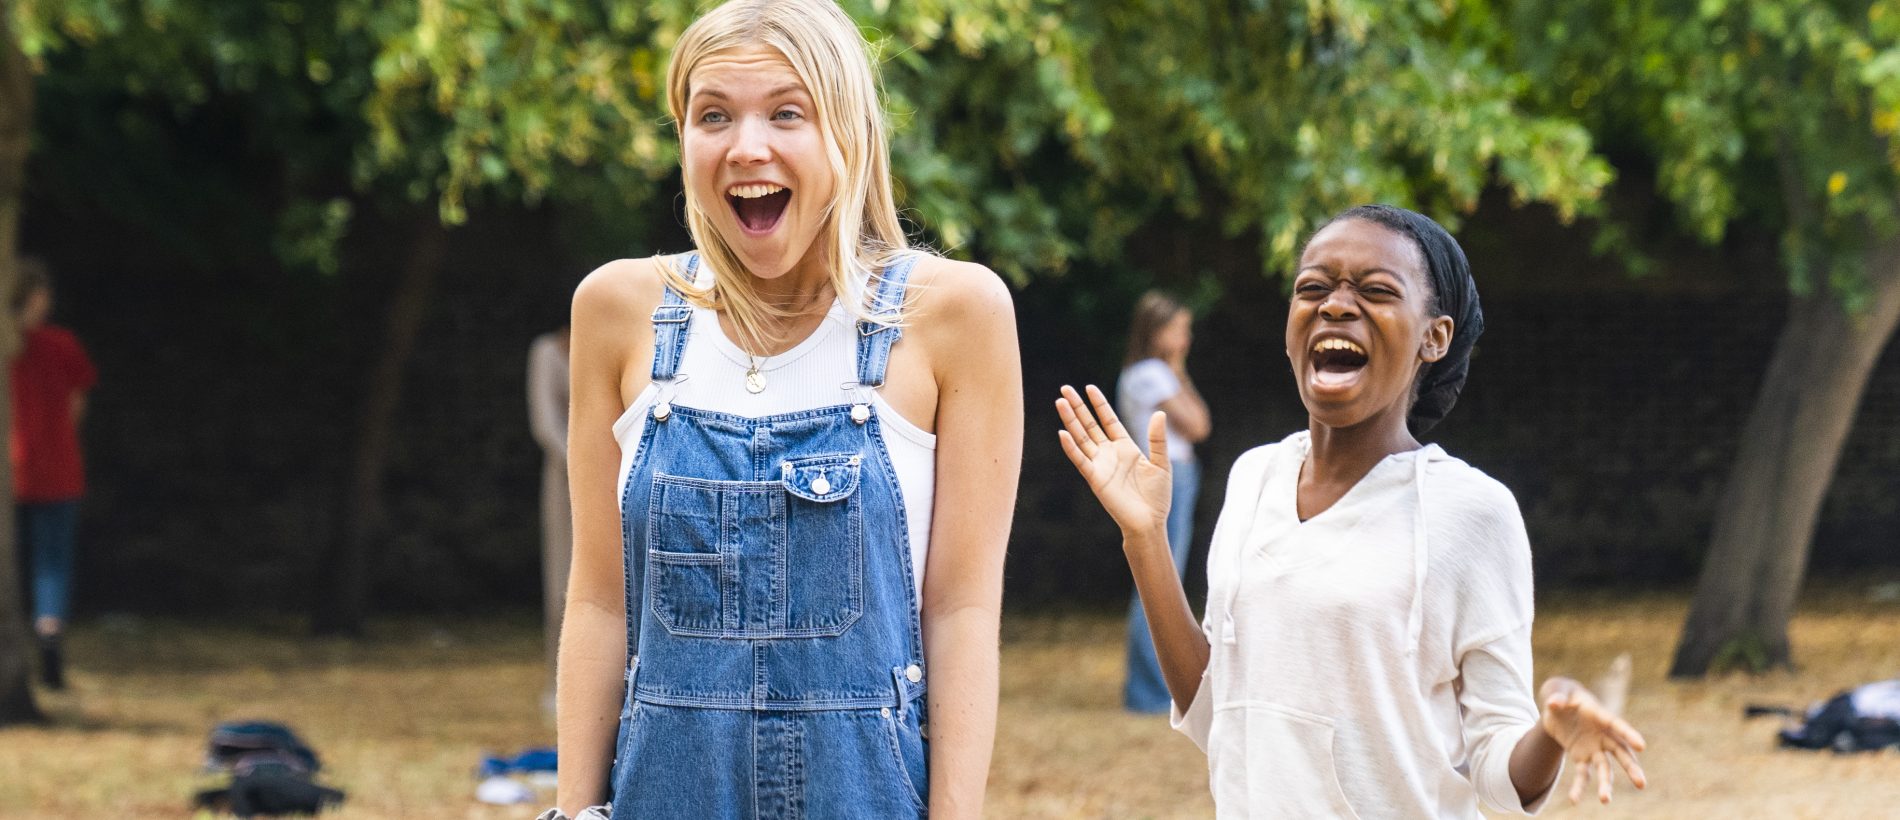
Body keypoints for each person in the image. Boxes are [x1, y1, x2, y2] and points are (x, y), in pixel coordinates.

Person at [548, 1, 1022, 817]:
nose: (746, 147)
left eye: (787, 113)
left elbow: (962, 611)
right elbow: (597, 600)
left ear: (849, 131)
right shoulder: (616, 309)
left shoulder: (955, 314)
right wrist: (574, 810)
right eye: (713, 115)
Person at [1055, 205, 1647, 816]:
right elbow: (1219, 714)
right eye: (1313, 288)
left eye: (1377, 290)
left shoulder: (1471, 511)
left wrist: (1550, 731)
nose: (1336, 305)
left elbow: (1499, 774)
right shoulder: (1254, 478)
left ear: (1434, 337)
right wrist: (1145, 538)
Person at [1115, 292, 1210, 713]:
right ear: (1155, 332)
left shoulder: (1142, 373)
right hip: (1168, 476)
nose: (1185, 338)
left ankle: (1149, 689)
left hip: (1168, 475)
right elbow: (1198, 424)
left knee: (1157, 580)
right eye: (1178, 330)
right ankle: (1150, 691)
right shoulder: (1153, 373)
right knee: (1158, 583)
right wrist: (1179, 371)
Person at [10, 257, 97, 691]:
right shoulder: (62, 344)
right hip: (58, 465)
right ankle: (48, 633)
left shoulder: (7, 349)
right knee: (52, 561)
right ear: (37, 296)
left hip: (10, 467)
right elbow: (76, 403)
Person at [527, 326, 571, 716]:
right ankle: (559, 685)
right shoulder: (548, 350)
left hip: (622, 476)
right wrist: (587, 462)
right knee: (563, 583)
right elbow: (545, 424)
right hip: (565, 480)